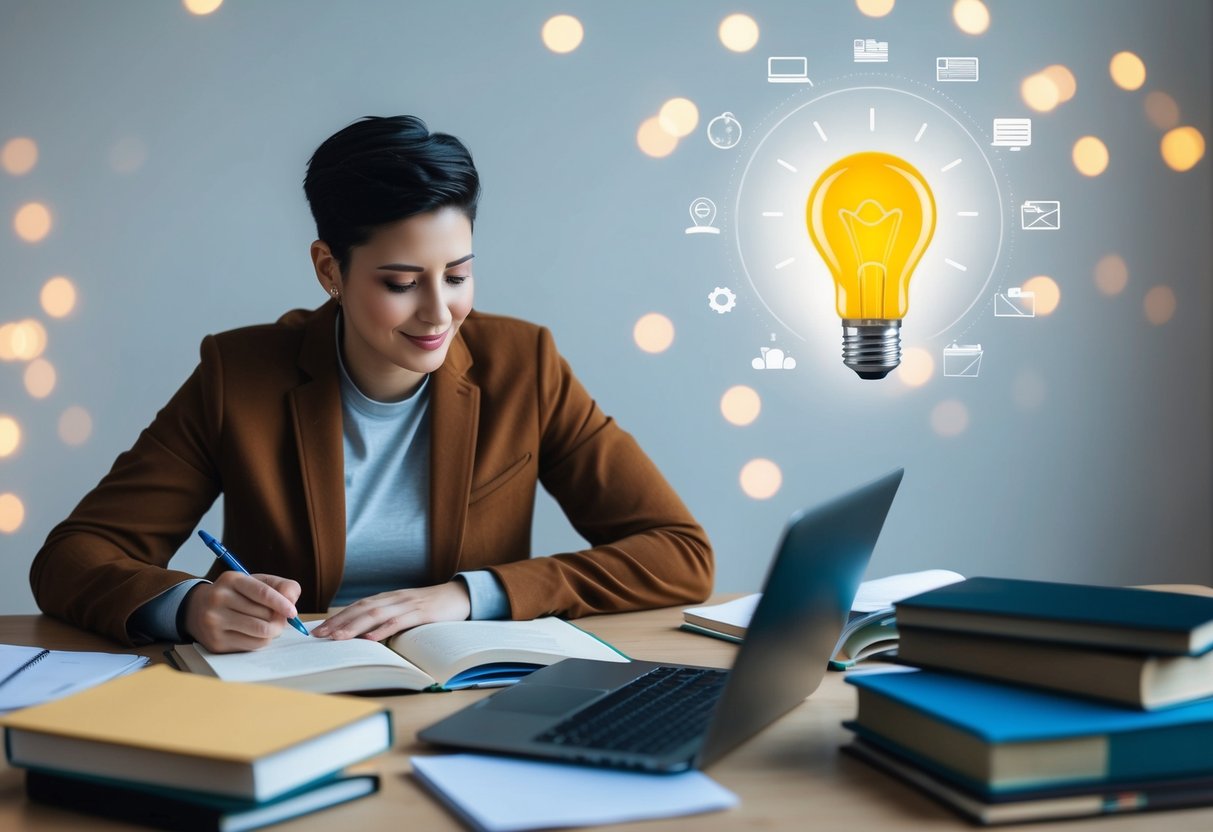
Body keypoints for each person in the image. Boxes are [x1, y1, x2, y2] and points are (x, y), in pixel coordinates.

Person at [30, 116, 713, 653]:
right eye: (399, 283)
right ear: (329, 269)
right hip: (288, 693)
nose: (438, 312)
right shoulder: (237, 376)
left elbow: (678, 553)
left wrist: (475, 595)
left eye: (456, 274)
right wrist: (187, 605)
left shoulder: (524, 363)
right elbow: (71, 559)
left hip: (472, 691)